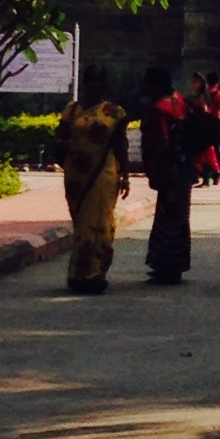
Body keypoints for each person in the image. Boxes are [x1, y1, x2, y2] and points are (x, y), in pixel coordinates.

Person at [54, 64, 131, 293]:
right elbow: (59, 137)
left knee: (101, 222)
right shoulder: (72, 110)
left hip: (104, 172)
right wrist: (67, 148)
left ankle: (95, 272)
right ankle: (78, 273)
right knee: (82, 224)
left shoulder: (114, 113)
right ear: (85, 83)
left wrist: (125, 175)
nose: (96, 85)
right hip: (76, 175)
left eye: (100, 80)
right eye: (92, 80)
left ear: (104, 84)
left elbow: (121, 145)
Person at [140, 65, 194, 284]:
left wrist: (156, 169)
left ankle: (166, 266)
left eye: (147, 83)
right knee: (179, 215)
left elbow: (160, 142)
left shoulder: (158, 109)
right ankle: (175, 264)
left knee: (167, 215)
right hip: (184, 166)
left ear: (156, 84)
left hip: (169, 168)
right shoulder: (179, 101)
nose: (144, 87)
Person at [189, 71, 220, 186]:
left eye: (195, 82)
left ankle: (209, 177)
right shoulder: (202, 95)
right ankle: (210, 176)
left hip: (203, 127)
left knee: (206, 154)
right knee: (207, 155)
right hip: (204, 126)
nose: (193, 84)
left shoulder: (202, 96)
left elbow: (205, 110)